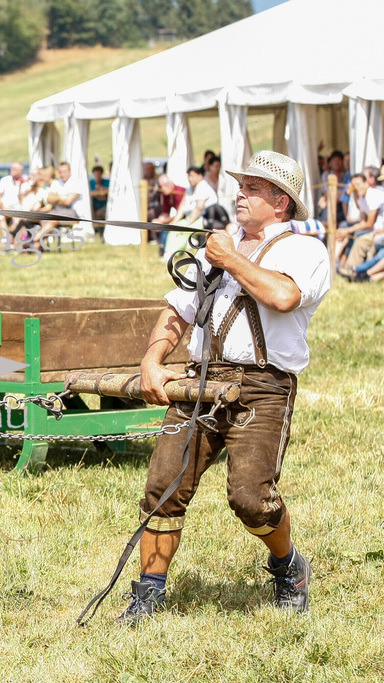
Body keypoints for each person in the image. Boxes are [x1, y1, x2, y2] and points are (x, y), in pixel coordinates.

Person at [119, 150, 331, 626]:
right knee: (162, 488)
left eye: (253, 187)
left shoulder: (305, 251)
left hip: (263, 387)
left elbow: (282, 296)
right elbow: (178, 310)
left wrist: (231, 259)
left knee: (251, 498)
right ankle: (148, 594)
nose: (240, 192)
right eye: (242, 185)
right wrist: (152, 361)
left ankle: (287, 566)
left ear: (281, 202)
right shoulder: (214, 249)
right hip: (199, 381)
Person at [161, 166, 216, 261]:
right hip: (190, 218)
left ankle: (172, 254)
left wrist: (187, 223)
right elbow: (182, 208)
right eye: (188, 176)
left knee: (181, 229)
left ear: (200, 176)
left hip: (204, 219)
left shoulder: (203, 187)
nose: (190, 179)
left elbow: (198, 208)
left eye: (192, 176)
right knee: (175, 226)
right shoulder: (190, 189)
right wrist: (174, 221)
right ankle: (170, 252)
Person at [336, 173, 384, 271]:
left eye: (358, 185)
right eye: (354, 185)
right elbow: (363, 221)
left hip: (378, 231)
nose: (356, 188)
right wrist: (347, 230)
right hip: (375, 230)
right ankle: (346, 267)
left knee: (358, 238)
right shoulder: (362, 196)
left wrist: (348, 230)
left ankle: (352, 269)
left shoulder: (373, 195)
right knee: (347, 231)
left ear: (366, 183)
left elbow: (369, 224)